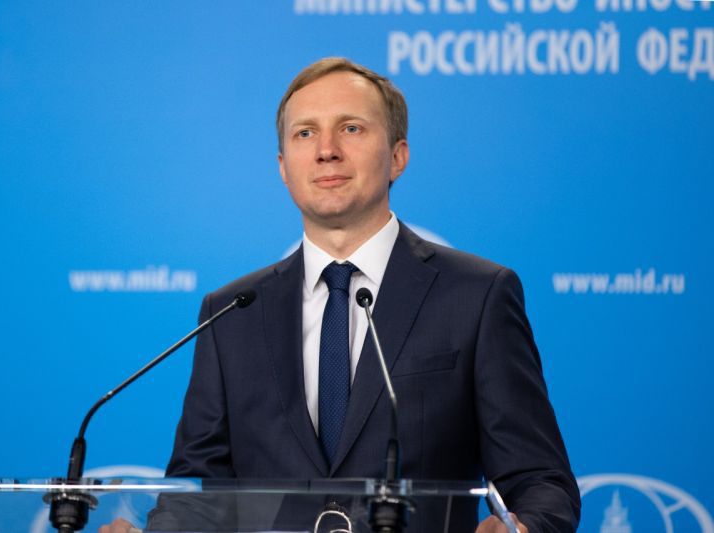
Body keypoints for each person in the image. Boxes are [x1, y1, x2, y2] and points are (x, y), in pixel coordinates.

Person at [102, 57, 580, 533]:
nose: (326, 151)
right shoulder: (232, 312)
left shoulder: (477, 295)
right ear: (283, 167)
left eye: (351, 128)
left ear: (398, 156)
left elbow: (541, 481)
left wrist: (525, 526)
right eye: (305, 133)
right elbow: (199, 492)